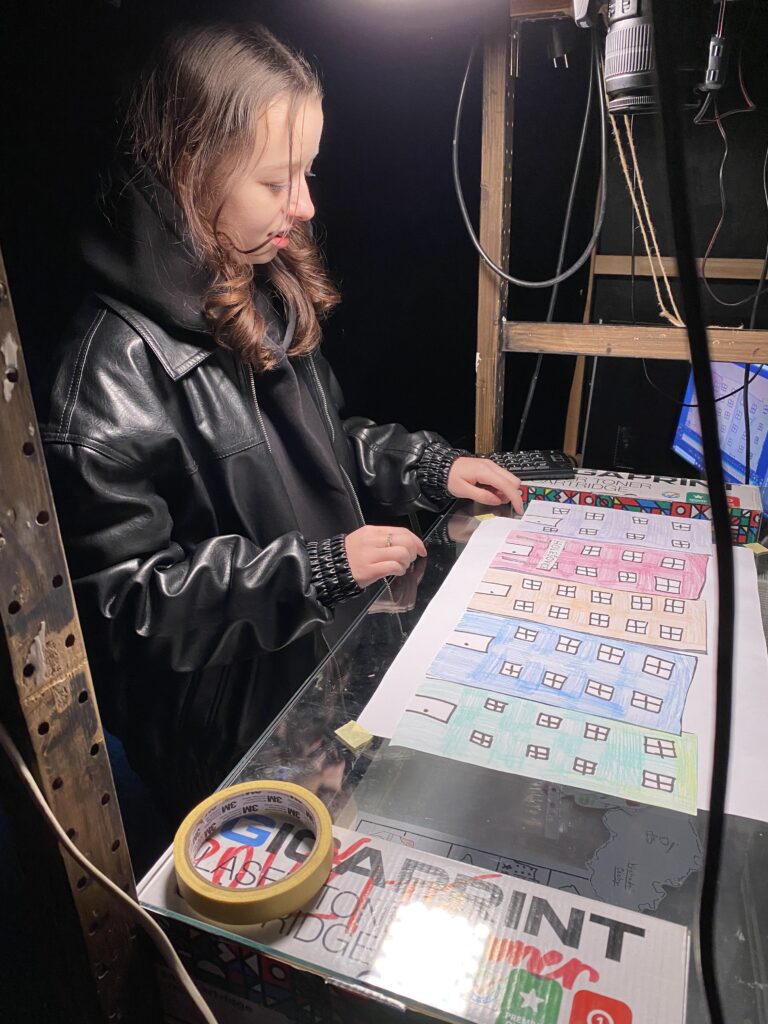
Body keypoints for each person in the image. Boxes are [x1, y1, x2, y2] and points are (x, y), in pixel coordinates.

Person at [41, 22, 522, 816]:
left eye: (306, 172)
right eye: (276, 180)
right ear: (189, 171)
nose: (304, 204)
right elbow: (129, 609)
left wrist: (430, 467)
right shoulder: (105, 374)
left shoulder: (256, 286)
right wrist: (316, 571)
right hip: (232, 747)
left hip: (320, 676)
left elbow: (324, 445)